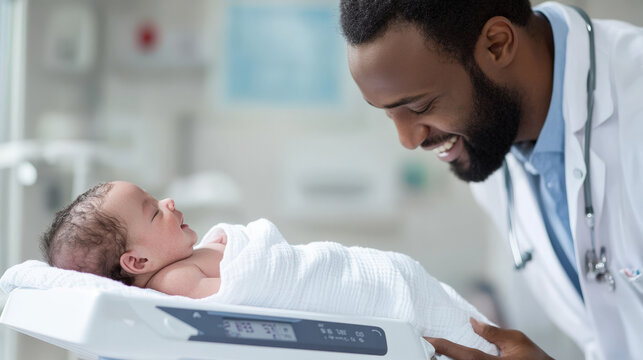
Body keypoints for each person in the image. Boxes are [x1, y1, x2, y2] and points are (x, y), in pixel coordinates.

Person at [340, 0, 643, 359]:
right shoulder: (488, 145)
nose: (408, 140)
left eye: (420, 107)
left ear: (497, 44)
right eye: (389, 114)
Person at [40, 180, 499, 356]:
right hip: (359, 291)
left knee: (461, 317)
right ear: (137, 262)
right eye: (153, 211)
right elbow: (247, 299)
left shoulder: (185, 262)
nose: (169, 202)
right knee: (465, 331)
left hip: (368, 268)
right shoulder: (174, 281)